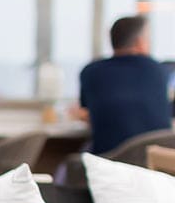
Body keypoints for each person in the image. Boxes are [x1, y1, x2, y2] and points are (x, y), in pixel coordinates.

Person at [73, 15, 173, 154]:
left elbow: (85, 113)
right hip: (157, 160)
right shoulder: (160, 70)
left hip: (111, 160)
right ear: (140, 42)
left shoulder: (91, 72)